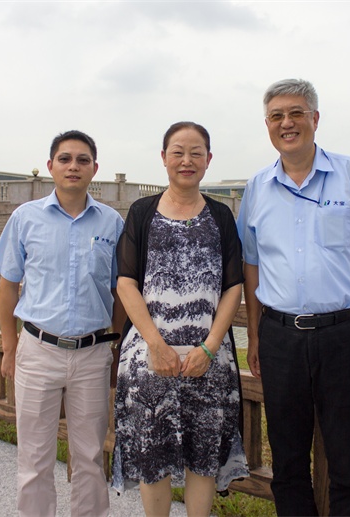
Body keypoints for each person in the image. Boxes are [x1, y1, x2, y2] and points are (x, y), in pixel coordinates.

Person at [236, 79, 350, 516]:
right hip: (280, 338)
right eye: (276, 116)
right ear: (267, 125)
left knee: (348, 463)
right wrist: (255, 336)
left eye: (296, 113)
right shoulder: (257, 187)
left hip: (344, 336)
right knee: (287, 463)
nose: (286, 123)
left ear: (315, 119)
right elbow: (251, 265)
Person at [112, 121, 249, 516]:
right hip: (149, 359)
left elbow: (233, 287)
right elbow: (126, 282)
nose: (186, 160)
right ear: (164, 158)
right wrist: (156, 345)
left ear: (208, 159)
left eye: (195, 153)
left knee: (203, 457)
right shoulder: (142, 212)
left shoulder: (221, 216)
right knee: (152, 458)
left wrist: (209, 347)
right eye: (178, 152)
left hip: (208, 359)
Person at [0, 130, 125, 517]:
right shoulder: (25, 218)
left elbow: (120, 290)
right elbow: (7, 286)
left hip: (93, 353)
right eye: (65, 159)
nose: (73, 166)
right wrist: (10, 346)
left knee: (90, 456)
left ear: (94, 168)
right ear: (51, 166)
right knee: (34, 457)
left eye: (83, 160)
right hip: (38, 349)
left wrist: (114, 345)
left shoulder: (112, 223)